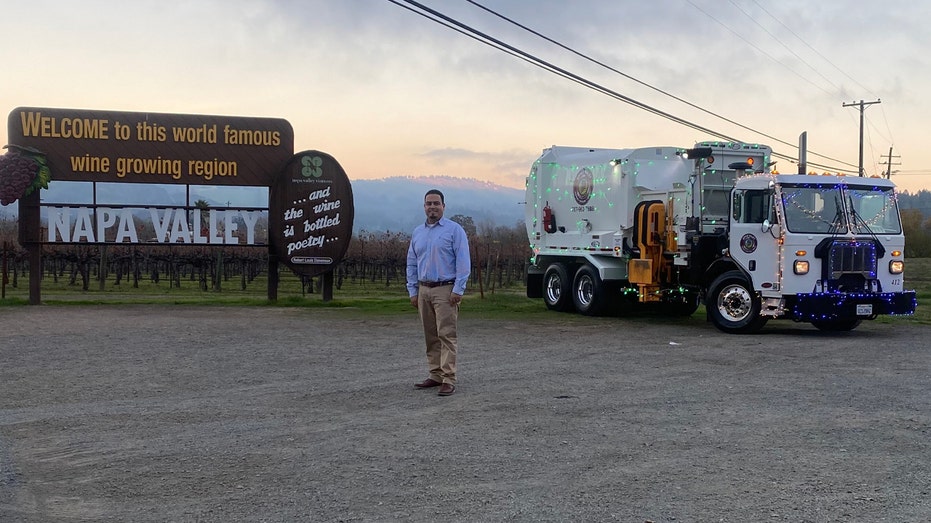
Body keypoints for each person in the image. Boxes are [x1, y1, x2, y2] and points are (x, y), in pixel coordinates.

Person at [406, 189, 471, 396]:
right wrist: (413, 290)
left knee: (446, 335)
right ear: (424, 206)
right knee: (430, 335)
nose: (432, 207)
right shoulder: (418, 232)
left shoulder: (454, 231)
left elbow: (463, 262)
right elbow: (411, 263)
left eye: (436, 203)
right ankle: (435, 374)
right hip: (424, 289)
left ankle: (448, 378)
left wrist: (458, 289)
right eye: (428, 203)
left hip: (446, 289)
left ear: (443, 206)